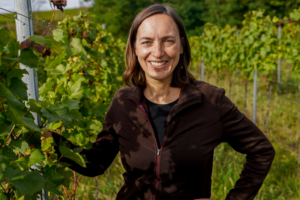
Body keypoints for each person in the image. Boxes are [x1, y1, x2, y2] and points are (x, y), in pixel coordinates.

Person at [43, 4, 275, 200]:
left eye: (168, 41)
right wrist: (51, 142)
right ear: (135, 48)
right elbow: (95, 163)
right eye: (147, 42)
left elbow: (262, 151)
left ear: (182, 45)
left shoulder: (210, 101)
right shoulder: (123, 102)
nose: (157, 52)